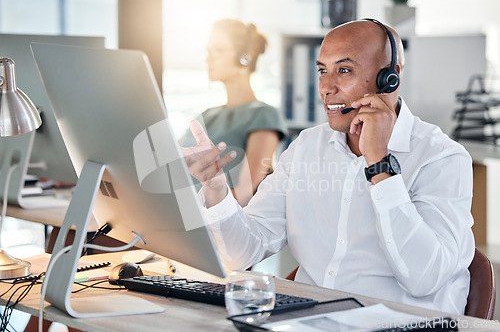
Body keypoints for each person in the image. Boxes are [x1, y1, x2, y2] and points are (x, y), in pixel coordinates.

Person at [181, 19, 475, 315]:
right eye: (322, 70)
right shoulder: (307, 147)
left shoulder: (443, 158)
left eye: (344, 71)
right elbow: (243, 252)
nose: (325, 87)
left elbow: (424, 278)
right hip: (314, 321)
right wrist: (215, 187)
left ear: (391, 77)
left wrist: (380, 164)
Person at [180, 19, 287, 207]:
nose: (208, 58)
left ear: (245, 57)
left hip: (210, 224)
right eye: (208, 51)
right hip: (176, 217)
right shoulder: (205, 115)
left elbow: (245, 194)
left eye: (218, 50)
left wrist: (196, 214)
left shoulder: (264, 115)